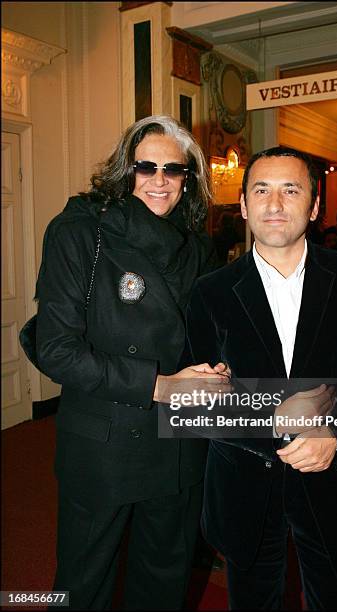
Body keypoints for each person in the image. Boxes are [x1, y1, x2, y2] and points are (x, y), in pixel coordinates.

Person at [186, 146, 337, 610]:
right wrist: (273, 420)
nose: (274, 204)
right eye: (261, 190)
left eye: (291, 190)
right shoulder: (210, 292)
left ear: (314, 205)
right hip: (245, 491)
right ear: (243, 205)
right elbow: (195, 402)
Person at [35, 115, 229, 610]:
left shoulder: (198, 246)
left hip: (179, 442)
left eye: (174, 169)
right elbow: (57, 349)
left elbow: (206, 332)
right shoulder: (79, 232)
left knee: (164, 580)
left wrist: (216, 367)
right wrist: (157, 386)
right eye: (147, 167)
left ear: (189, 179)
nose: (160, 180)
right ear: (126, 170)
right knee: (84, 585)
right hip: (105, 444)